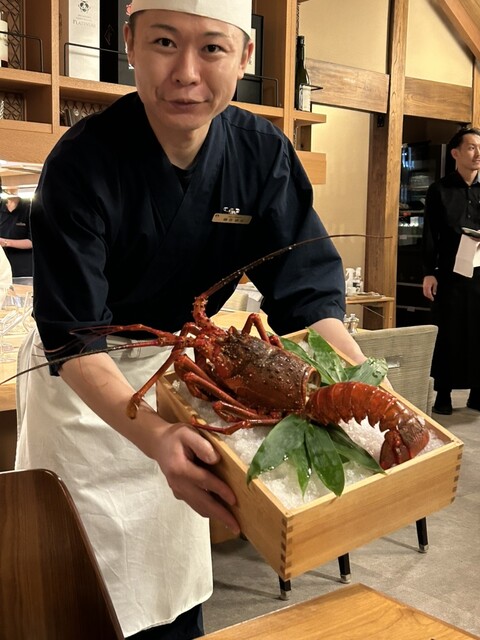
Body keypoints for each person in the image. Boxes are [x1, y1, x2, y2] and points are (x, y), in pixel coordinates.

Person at [14, 1, 369, 637]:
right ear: (129, 44)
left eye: (211, 48)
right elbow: (74, 337)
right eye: (163, 42)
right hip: (83, 389)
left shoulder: (261, 153)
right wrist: (154, 438)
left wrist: (363, 385)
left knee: (169, 583)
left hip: (181, 378)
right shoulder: (82, 161)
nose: (185, 72)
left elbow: (308, 298)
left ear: (245, 56)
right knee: (75, 588)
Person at [422, 127, 480, 415]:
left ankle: (477, 393)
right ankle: (443, 393)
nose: (478, 153)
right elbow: (430, 234)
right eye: (471, 147)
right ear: (456, 153)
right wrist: (428, 272)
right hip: (449, 272)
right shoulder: (439, 190)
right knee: (447, 331)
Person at [0, 194, 33, 277]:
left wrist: (5, 242)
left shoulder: (30, 208)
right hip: (2, 266)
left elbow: (33, 242)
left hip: (23, 267)